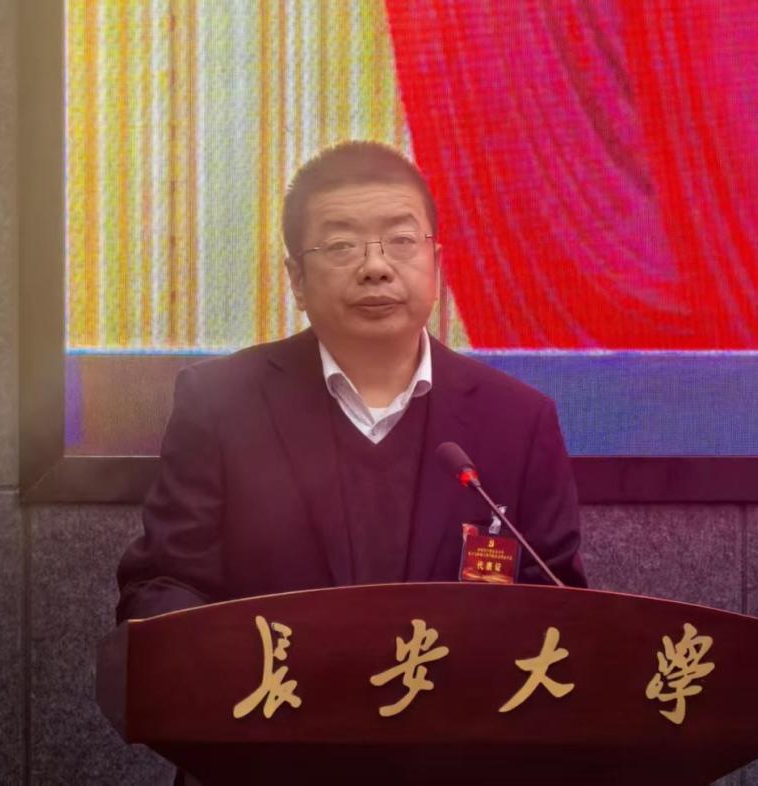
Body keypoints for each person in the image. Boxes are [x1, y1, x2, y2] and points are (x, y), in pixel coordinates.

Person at [116, 141, 585, 623]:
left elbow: (560, 609)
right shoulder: (221, 404)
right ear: (297, 280)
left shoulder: (519, 422)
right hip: (271, 674)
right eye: (341, 246)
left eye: (401, 240)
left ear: (436, 264)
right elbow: (167, 581)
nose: (376, 268)